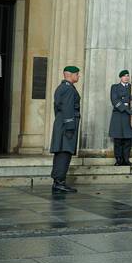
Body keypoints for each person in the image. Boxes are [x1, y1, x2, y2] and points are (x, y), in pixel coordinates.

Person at [49, 65, 81, 194]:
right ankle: (59, 182)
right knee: (64, 153)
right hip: (66, 126)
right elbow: (67, 108)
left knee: (61, 153)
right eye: (77, 74)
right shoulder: (68, 89)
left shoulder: (62, 88)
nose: (78, 76)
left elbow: (57, 108)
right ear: (70, 75)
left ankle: (58, 181)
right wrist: (69, 126)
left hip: (61, 124)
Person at [109, 69, 132, 167]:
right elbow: (115, 101)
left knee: (128, 140)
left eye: (128, 76)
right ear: (121, 77)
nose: (126, 77)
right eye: (124, 76)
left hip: (130, 116)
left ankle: (126, 159)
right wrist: (127, 110)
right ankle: (119, 160)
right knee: (118, 140)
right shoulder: (115, 87)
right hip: (119, 115)